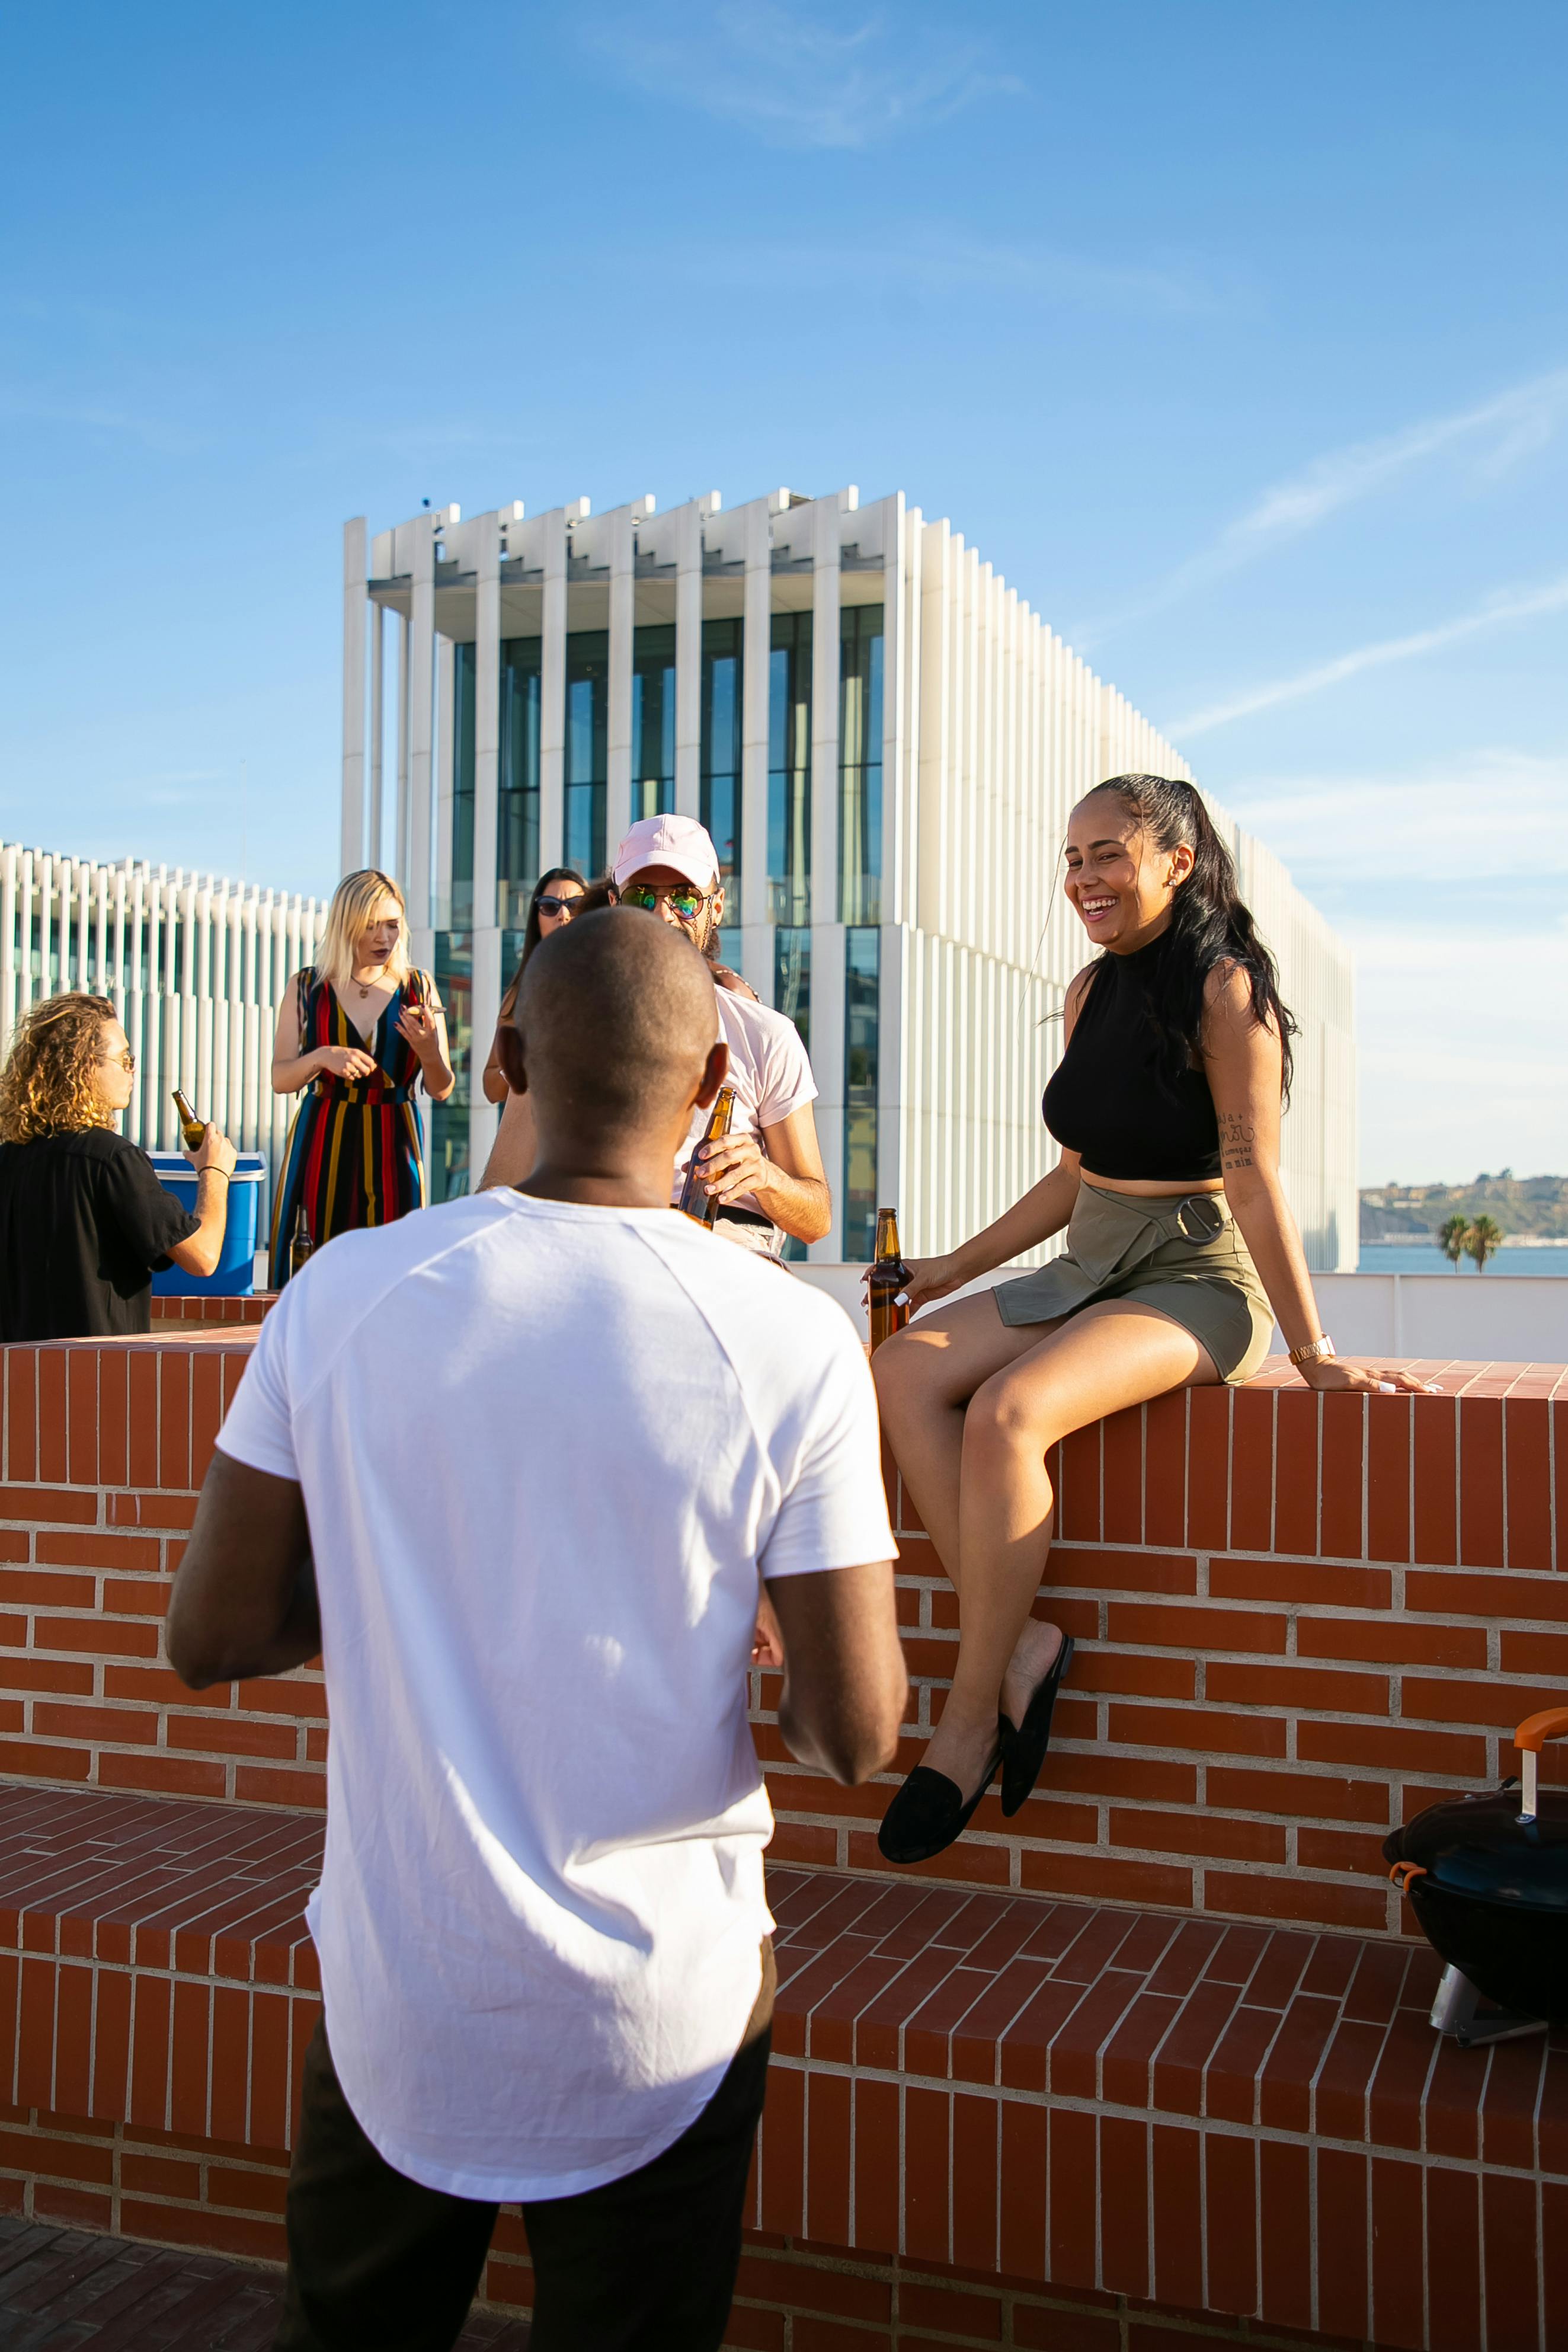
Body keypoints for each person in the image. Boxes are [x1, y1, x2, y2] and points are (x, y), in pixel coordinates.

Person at [167, 906, 905, 2352]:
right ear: (710, 1091)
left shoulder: (343, 1296)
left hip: (406, 1992)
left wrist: (408, 1569)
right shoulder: (793, 1338)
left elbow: (213, 1633)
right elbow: (858, 1731)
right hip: (665, 2016)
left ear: (504, 1060)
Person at [871, 772, 1436, 1868]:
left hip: (1196, 1280)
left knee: (1008, 1410)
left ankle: (967, 1717)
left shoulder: (1229, 994)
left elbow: (1258, 1180)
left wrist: (1316, 1356)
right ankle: (1025, 1638)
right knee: (901, 1372)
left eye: (1108, 854)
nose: (1083, 876)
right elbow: (1071, 1173)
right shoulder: (1090, 992)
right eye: (1073, 855)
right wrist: (950, 1266)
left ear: (1177, 862)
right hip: (1089, 1260)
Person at [482, 816, 829, 1255]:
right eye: (642, 896)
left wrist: (765, 1176)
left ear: (716, 907)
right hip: (595, 1245)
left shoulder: (766, 1034)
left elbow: (816, 1221)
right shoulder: (563, 1021)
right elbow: (500, 1184)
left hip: (727, 1252)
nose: (662, 914)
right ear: (615, 903)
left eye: (685, 898)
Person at [0, 991, 238, 1341]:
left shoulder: (8, 1159)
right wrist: (214, 1173)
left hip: (18, 1376)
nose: (132, 1069)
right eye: (124, 1058)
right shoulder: (113, 1159)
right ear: (84, 1066)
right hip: (99, 1374)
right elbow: (202, 1257)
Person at [267, 868, 454, 1287]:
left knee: (396, 1270)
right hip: (324, 1133)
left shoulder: (418, 987)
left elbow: (443, 1088)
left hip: (395, 1135)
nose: (383, 938)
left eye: (392, 925)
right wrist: (321, 1057)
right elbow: (281, 1079)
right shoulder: (306, 987)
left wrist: (427, 1050)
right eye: (371, 926)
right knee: (319, 1266)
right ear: (345, 924)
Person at [479, 867, 587, 1105]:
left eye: (575, 904)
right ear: (536, 919)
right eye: (550, 906)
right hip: (535, 1130)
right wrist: (523, 1058)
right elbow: (491, 1089)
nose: (563, 915)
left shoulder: (611, 982)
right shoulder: (522, 992)